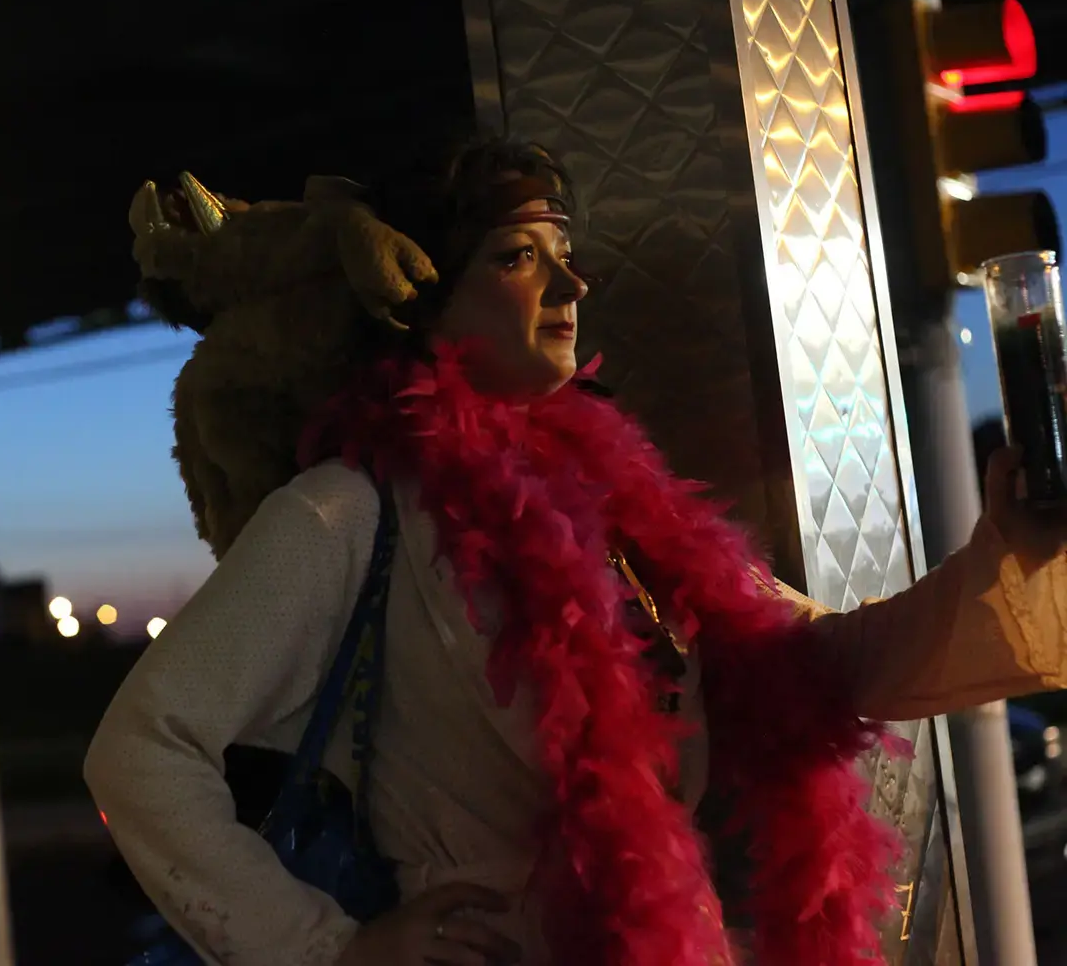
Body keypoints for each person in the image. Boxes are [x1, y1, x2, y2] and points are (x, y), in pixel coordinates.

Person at [85, 138, 1067, 966]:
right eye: (516, 257)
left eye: (564, 250)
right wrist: (330, 946)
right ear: (418, 293)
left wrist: (1006, 552)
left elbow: (812, 663)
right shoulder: (346, 510)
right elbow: (141, 750)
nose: (570, 282)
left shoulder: (612, 502)